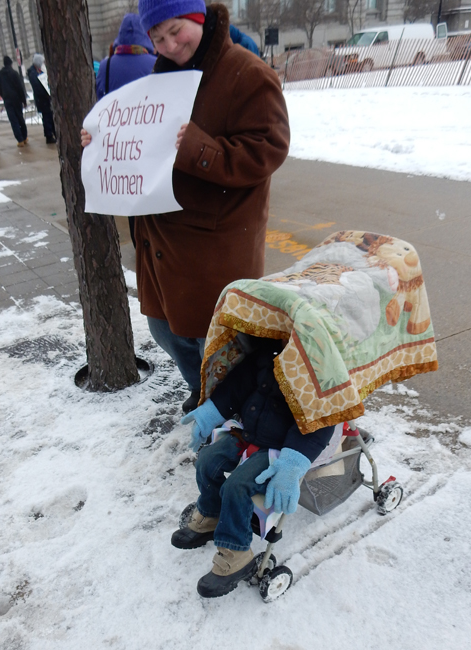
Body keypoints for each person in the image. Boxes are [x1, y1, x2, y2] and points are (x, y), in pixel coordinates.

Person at [81, 1, 290, 414]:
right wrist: (102, 143)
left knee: (218, 341)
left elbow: (269, 148)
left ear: (198, 17)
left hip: (215, 243)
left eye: (176, 30)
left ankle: (234, 413)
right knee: (165, 330)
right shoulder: (162, 79)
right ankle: (203, 393)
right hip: (161, 242)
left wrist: (199, 149)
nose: (170, 45)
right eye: (157, 38)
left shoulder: (247, 74)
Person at [172, 335, 335, 598]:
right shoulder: (268, 352)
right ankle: (212, 514)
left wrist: (292, 464)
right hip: (247, 431)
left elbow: (320, 422)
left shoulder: (320, 372)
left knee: (236, 486)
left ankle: (237, 552)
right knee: (207, 461)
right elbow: (237, 386)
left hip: (281, 449)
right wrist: (209, 413)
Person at [95, 13, 156, 247]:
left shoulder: (106, 66)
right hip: (149, 144)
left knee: (131, 197)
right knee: (152, 196)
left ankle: (138, 241)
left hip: (122, 146)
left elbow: (102, 101)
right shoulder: (155, 64)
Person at [95, 13, 156, 101]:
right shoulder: (155, 63)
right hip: (149, 112)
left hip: (116, 113)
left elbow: (100, 96)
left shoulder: (105, 66)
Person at [0, 56, 28, 148]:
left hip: (8, 100)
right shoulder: (14, 73)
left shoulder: (0, 74)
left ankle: (20, 139)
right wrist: (23, 100)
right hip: (16, 99)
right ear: (10, 63)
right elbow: (20, 88)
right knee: (20, 118)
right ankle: (24, 136)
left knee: (13, 120)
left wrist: (4, 96)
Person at [27, 54, 56, 144]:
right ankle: (49, 135)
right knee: (47, 117)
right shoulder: (33, 73)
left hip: (45, 99)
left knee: (49, 116)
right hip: (42, 99)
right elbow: (37, 87)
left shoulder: (39, 71)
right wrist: (45, 93)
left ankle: (52, 132)